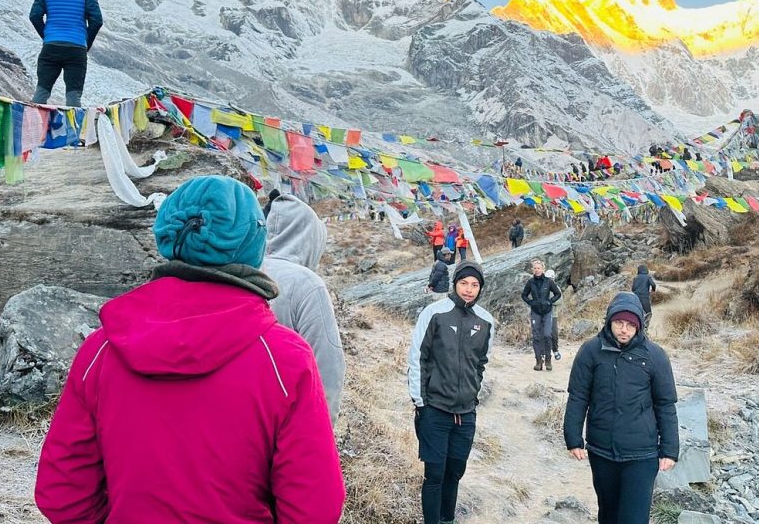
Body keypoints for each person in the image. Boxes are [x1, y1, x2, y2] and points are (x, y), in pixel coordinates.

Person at [35, 175, 344, 524]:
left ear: (167, 236)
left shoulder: (101, 349)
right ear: (255, 246)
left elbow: (61, 490)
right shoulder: (285, 360)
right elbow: (315, 507)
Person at [563, 292, 679, 524]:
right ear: (609, 321)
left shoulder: (655, 355)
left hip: (642, 454)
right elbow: (578, 396)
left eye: (630, 325)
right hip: (601, 451)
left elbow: (665, 404)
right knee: (608, 515)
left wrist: (669, 448)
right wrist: (573, 437)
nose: (624, 329)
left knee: (634, 519)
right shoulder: (591, 350)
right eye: (618, 322)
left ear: (639, 326)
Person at [409, 262, 495, 524]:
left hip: (466, 413)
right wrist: (421, 404)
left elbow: (482, 363)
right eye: (464, 283)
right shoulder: (434, 313)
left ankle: (448, 519)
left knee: (455, 471)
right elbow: (417, 359)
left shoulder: (486, 320)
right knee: (435, 473)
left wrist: (472, 394)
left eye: (475, 285)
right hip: (434, 409)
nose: (469, 290)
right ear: (455, 283)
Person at [262, 193, 346, 423]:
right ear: (311, 239)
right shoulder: (306, 283)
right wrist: (322, 429)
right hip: (287, 418)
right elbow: (328, 365)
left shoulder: (240, 268)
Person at [28, 0, 103, 108]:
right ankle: (74, 130)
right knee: (73, 95)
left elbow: (34, 16)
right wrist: (85, 43)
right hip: (76, 49)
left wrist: (48, 37)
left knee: (42, 90)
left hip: (51, 47)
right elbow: (97, 21)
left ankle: (31, 128)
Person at [522, 259, 562, 371]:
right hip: (535, 312)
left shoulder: (549, 281)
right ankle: (538, 361)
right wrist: (531, 302)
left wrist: (550, 301)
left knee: (547, 335)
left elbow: (558, 294)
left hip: (547, 311)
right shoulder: (530, 282)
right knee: (536, 336)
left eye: (538, 268)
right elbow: (524, 295)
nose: (537, 270)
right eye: (535, 268)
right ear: (532, 270)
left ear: (542, 269)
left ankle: (548, 360)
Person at [631, 264, 658, 330]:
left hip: (636, 297)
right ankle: (645, 328)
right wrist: (653, 290)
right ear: (646, 270)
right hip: (645, 297)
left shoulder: (635, 278)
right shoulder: (648, 277)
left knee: (637, 311)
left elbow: (633, 288)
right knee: (648, 313)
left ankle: (637, 326)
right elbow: (653, 284)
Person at [546, 268, 562, 361]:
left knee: (554, 334)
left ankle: (555, 350)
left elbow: (560, 300)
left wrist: (550, 302)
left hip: (553, 315)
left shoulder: (556, 288)